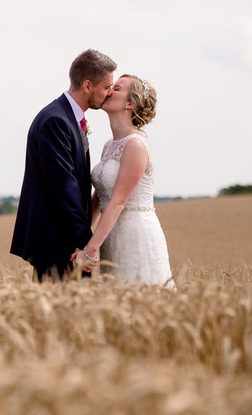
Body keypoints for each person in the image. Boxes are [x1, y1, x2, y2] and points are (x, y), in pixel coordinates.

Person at [10, 49, 116, 281]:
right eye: (107, 87)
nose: (109, 93)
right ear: (88, 85)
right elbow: (64, 189)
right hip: (57, 243)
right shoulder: (56, 121)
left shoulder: (66, 117)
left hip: (64, 241)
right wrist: (85, 245)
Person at [72, 74, 175, 287]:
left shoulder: (135, 145)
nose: (108, 91)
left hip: (136, 235)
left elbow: (118, 201)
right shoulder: (110, 145)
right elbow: (99, 198)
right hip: (111, 237)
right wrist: (81, 239)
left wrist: (90, 251)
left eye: (116, 88)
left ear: (131, 103)